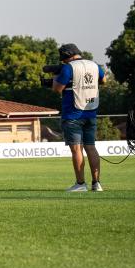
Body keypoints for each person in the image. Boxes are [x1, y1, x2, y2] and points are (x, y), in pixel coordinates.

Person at [52, 43, 106, 192]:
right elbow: (104, 81)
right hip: (91, 112)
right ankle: (97, 183)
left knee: (76, 149)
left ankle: (81, 183)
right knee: (91, 147)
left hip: (72, 114)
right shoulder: (94, 65)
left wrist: (55, 76)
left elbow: (57, 89)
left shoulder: (69, 67)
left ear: (66, 56)